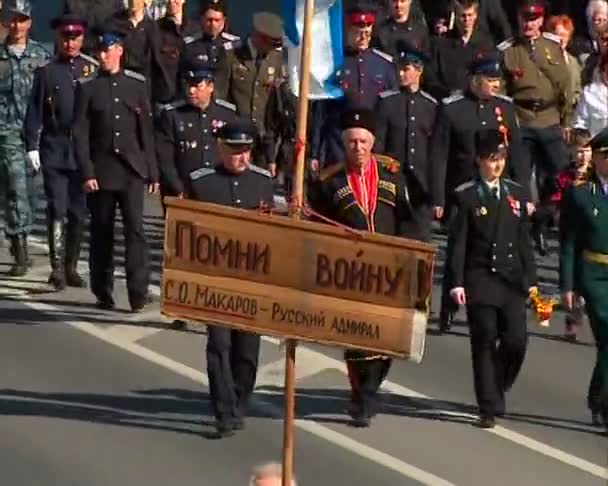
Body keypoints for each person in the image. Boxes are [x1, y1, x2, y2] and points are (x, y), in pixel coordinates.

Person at [308, 108, 424, 428]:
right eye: (351, 142)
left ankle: (372, 386)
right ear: (344, 145)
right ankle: (362, 397)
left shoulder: (392, 175)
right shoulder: (329, 182)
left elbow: (411, 218)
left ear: (372, 143)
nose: (358, 147)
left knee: (385, 339)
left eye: (363, 141)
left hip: (390, 271)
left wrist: (412, 253)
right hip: (351, 273)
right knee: (358, 338)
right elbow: (317, 223)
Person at [446, 128, 538, 429]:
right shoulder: (466, 195)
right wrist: (456, 282)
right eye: (490, 159)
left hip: (511, 278)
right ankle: (487, 405)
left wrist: (532, 279)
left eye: (500, 159)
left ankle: (498, 383)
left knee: (516, 341)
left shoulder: (517, 193)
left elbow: (523, 240)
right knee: (484, 337)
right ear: (478, 160)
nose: (496, 166)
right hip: (480, 276)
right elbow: (457, 244)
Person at [187, 120, 274, 437]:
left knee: (247, 351)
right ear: (221, 148)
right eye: (235, 151)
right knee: (219, 346)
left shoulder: (263, 181)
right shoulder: (202, 183)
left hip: (252, 279)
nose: (241, 158)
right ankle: (223, 411)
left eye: (246, 151)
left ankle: (239, 400)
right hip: (216, 279)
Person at [72, 30, 159, 312]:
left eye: (107, 50)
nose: (102, 56)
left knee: (136, 232)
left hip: (132, 170)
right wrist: (86, 172)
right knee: (102, 232)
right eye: (99, 51)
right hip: (102, 172)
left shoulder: (136, 85)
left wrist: (152, 171)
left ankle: (138, 291)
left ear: (119, 51)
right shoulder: (88, 88)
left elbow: (145, 131)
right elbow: (80, 134)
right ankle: (103, 289)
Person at [23, 14, 98, 290]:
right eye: (66, 38)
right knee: (57, 207)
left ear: (82, 38)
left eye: (76, 37)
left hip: (81, 151)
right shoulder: (47, 71)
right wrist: (32, 144)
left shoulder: (91, 69)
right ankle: (56, 267)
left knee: (78, 212)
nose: (71, 43)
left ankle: (71, 265)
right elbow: (34, 110)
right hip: (54, 146)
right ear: (58, 38)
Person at [499, 0, 573, 211]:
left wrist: (566, 120)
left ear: (541, 20)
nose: (529, 25)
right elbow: (503, 92)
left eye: (533, 19)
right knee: (520, 177)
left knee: (562, 175)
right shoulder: (508, 50)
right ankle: (524, 226)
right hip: (521, 120)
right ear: (518, 19)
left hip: (549, 118)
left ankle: (547, 218)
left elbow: (564, 86)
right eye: (525, 19)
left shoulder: (552, 46)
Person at [560, 125, 608, 431]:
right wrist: (568, 286)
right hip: (594, 275)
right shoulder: (580, 195)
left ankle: (597, 397)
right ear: (599, 160)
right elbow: (568, 244)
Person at [310, 2, 397, 169]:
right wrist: (314, 152)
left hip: (374, 148)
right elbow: (320, 112)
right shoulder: (333, 65)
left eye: (367, 33)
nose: (364, 38)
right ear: (349, 30)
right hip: (338, 148)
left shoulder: (384, 66)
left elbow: (392, 111)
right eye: (359, 33)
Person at [0, 0, 51, 276]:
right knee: (16, 190)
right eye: (13, 19)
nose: (17, 25)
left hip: (35, 136)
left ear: (30, 22)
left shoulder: (41, 56)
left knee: (31, 193)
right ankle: (19, 247)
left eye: (22, 19)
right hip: (6, 132)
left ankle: (18, 236)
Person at [375, 41, 437, 241]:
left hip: (420, 187)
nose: (400, 74)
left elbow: (435, 152)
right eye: (399, 69)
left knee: (419, 240)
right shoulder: (387, 102)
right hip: (391, 182)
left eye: (406, 69)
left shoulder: (430, 106)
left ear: (419, 71)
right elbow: (379, 146)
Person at [155, 58, 238, 199]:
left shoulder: (226, 114)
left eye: (197, 85)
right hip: (183, 188)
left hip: (217, 189)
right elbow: (165, 157)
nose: (191, 90)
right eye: (188, 85)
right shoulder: (172, 114)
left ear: (210, 86)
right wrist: (178, 188)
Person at [225, 11, 284, 173]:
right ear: (258, 37)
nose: (272, 49)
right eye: (270, 44)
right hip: (237, 132)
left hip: (263, 137)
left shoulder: (276, 58)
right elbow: (220, 95)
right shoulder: (232, 54)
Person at [428, 0, 495, 100]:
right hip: (449, 101)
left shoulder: (486, 45)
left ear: (476, 15)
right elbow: (432, 78)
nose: (466, 20)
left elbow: (491, 77)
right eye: (463, 16)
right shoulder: (441, 44)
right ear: (455, 16)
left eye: (470, 15)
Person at [183, 0, 240, 102]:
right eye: (209, 20)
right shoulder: (190, 45)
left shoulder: (235, 45)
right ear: (202, 19)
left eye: (217, 20)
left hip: (224, 103)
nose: (213, 24)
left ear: (224, 20)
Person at [155, 0, 200, 103]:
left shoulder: (196, 29)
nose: (171, 1)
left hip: (189, 97)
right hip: (164, 97)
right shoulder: (156, 28)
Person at [574, 50, 608, 137]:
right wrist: (583, 142)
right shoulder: (589, 94)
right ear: (602, 69)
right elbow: (580, 124)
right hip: (599, 147)